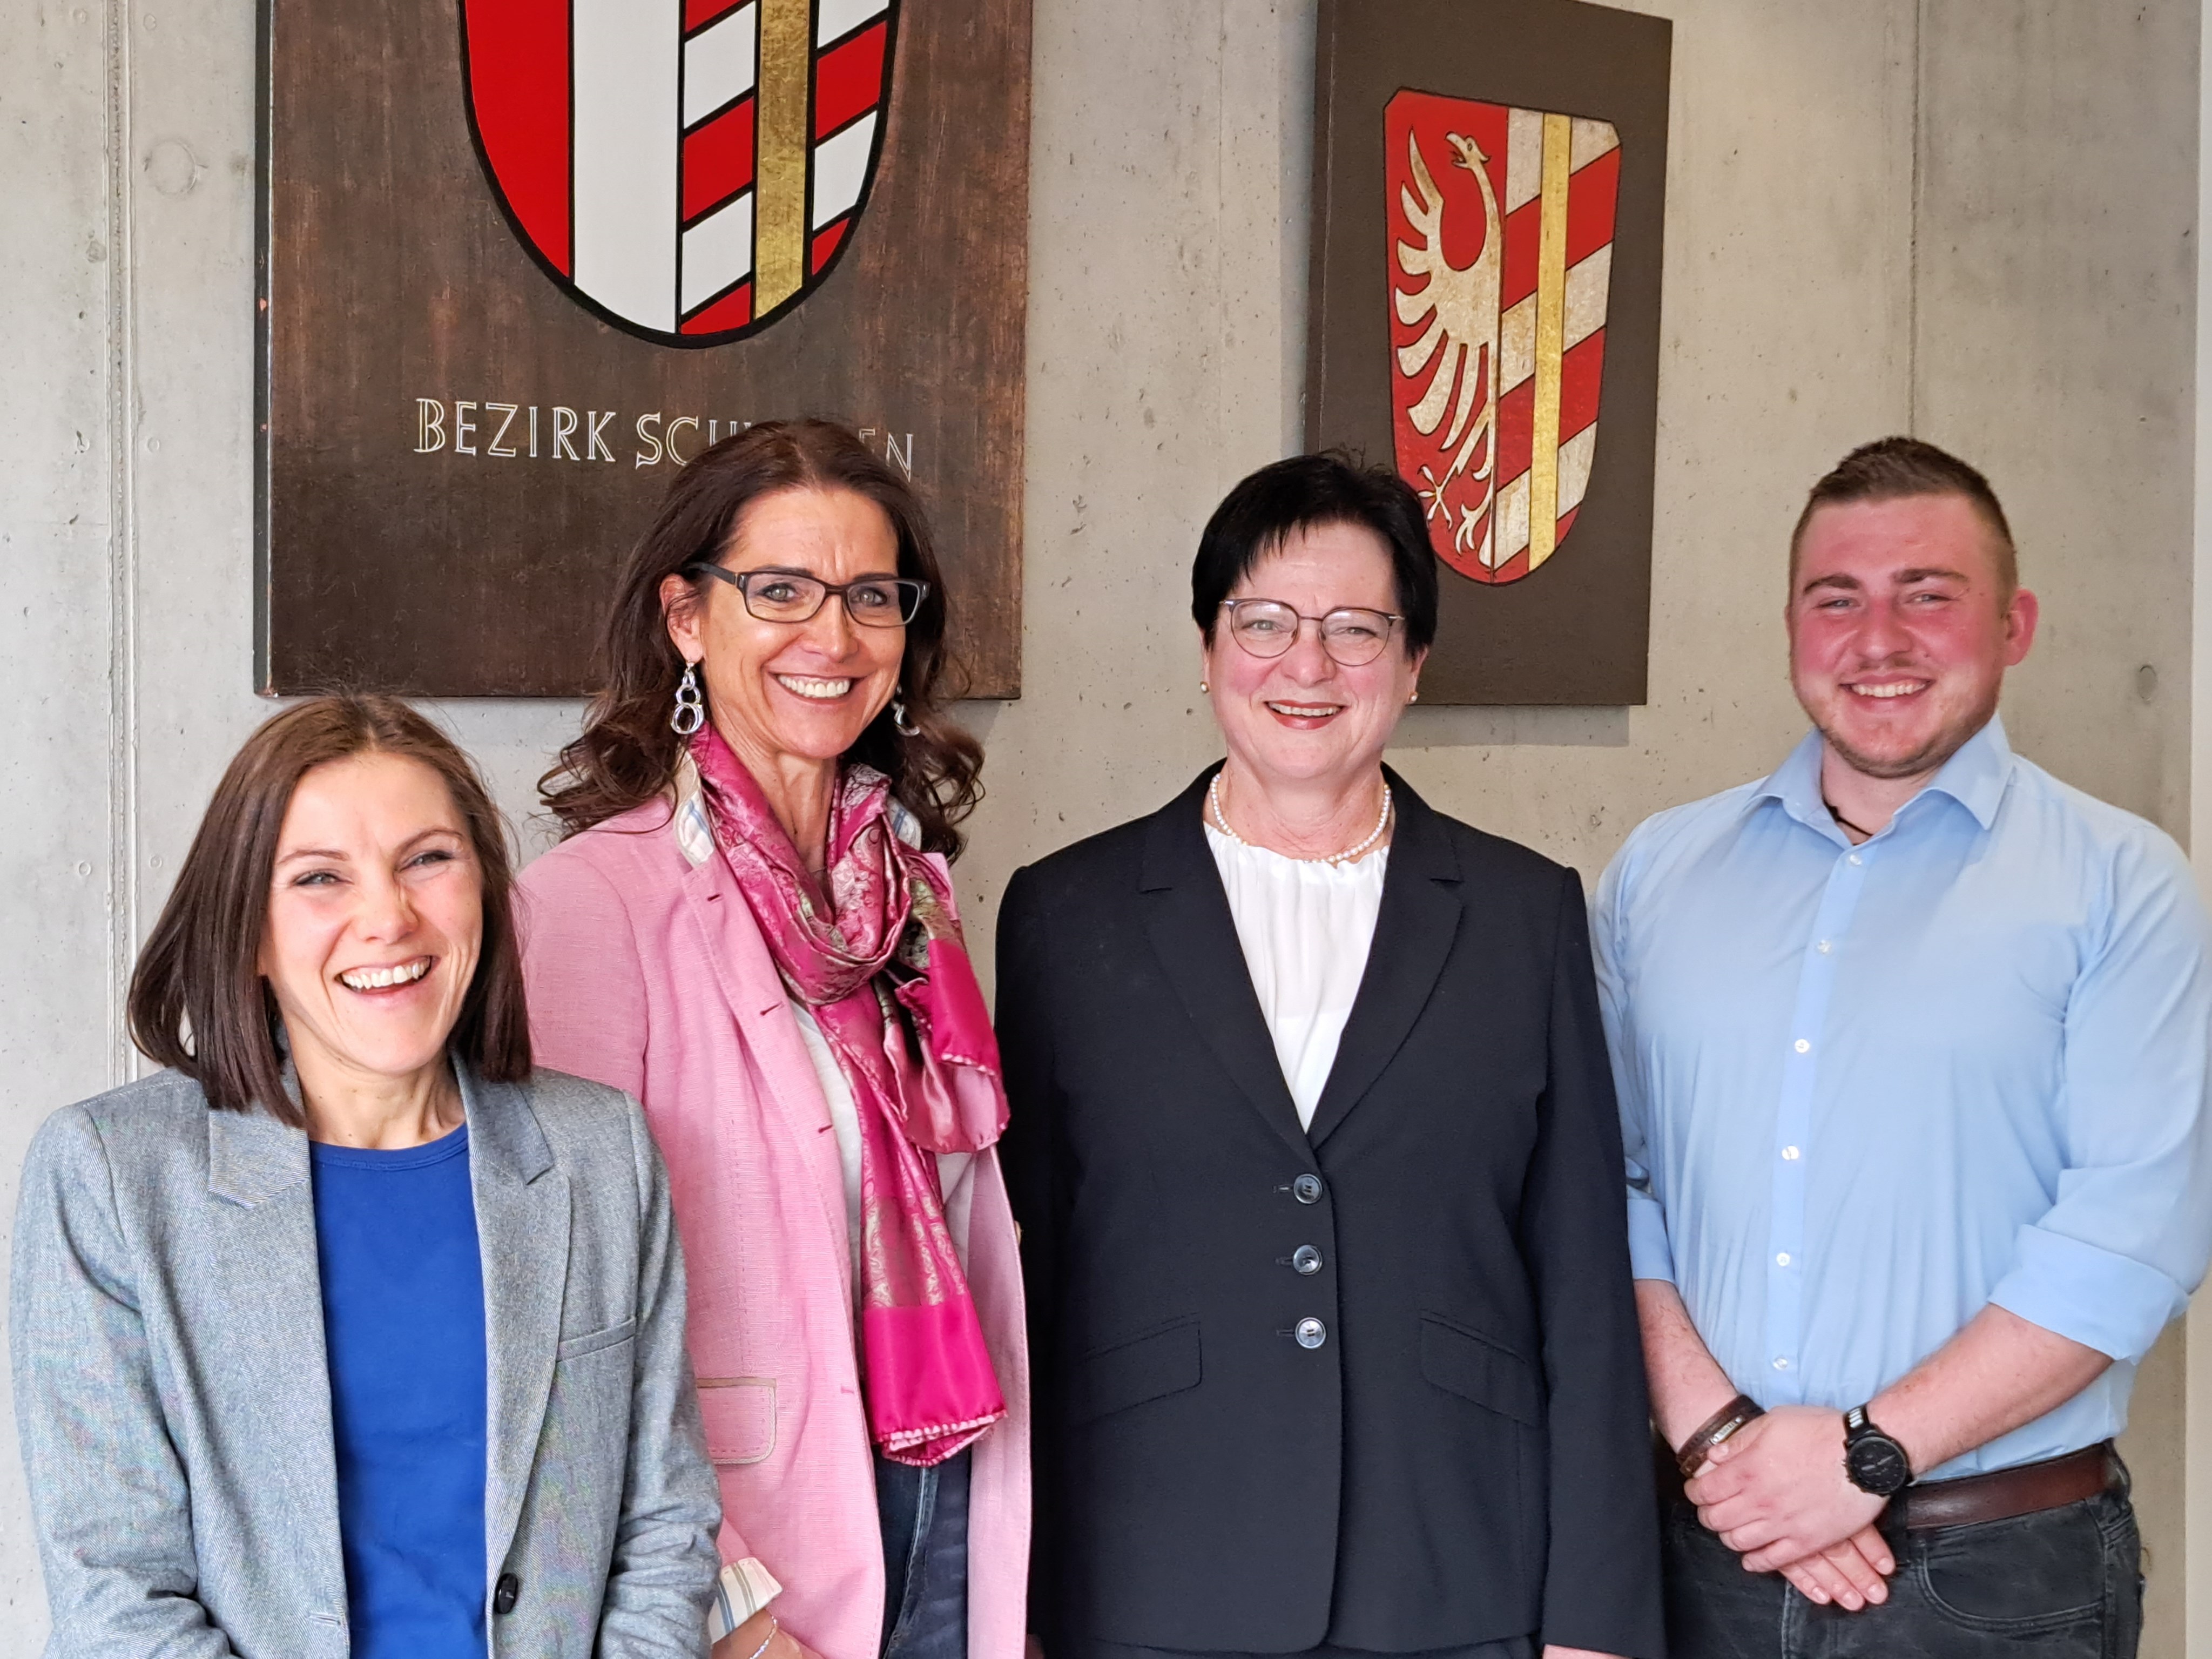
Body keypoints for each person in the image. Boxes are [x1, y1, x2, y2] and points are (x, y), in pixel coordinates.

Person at [997, 453, 1664, 1659]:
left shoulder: (1524, 912)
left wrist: (1594, 1621)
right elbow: (1030, 1273)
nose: (1305, 668)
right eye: (1263, 623)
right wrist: (1021, 1601)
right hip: (1147, 1576)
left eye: (1355, 630)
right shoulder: (1064, 914)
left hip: (1452, 1571)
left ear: (1412, 667)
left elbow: (1580, 1277)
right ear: (1208, 649)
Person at [1595, 436, 2212, 1658]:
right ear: (1789, 627)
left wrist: (1864, 1455)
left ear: (2012, 623)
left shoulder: (2119, 885)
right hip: (1696, 1553)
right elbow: (1601, 1188)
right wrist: (1727, 1449)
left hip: (1995, 1587)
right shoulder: (1655, 876)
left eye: (1927, 595)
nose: (1877, 640)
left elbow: (2130, 1238)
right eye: (1838, 600)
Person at [10, 694, 719, 1659]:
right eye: (318, 879)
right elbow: (116, 1594)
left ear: (483, 889)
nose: (388, 918)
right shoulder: (110, 1178)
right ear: (249, 932)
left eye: (428, 859)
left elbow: (665, 1525)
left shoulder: (601, 1150)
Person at [518, 419, 1028, 1659]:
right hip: (749, 1550)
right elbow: (560, 1318)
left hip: (948, 1488)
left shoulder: (910, 894)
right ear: (687, 617)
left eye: (870, 597)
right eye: (781, 591)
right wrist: (725, 1605)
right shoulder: (593, 908)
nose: (833, 637)